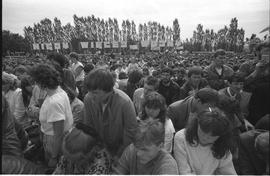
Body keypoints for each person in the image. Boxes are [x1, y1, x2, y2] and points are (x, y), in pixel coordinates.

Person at [76, 68, 138, 164]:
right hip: (99, 150)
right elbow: (88, 126)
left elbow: (130, 134)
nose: (91, 95)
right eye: (89, 91)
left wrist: (119, 156)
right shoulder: (88, 99)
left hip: (119, 152)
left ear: (108, 90)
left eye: (95, 93)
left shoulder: (125, 103)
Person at [29, 64, 74, 168]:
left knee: (55, 168)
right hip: (57, 138)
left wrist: (54, 157)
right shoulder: (59, 91)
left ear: (41, 83)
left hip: (54, 141)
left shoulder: (54, 101)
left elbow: (58, 134)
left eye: (36, 81)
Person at [173, 107, 236, 175]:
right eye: (202, 132)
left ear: (221, 136)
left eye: (212, 137)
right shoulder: (181, 137)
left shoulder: (223, 145)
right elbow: (184, 171)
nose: (205, 138)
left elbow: (228, 172)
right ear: (197, 124)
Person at [113, 119, 179, 175]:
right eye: (137, 147)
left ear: (160, 146)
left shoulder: (168, 166)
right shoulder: (132, 150)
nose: (138, 153)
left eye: (144, 150)